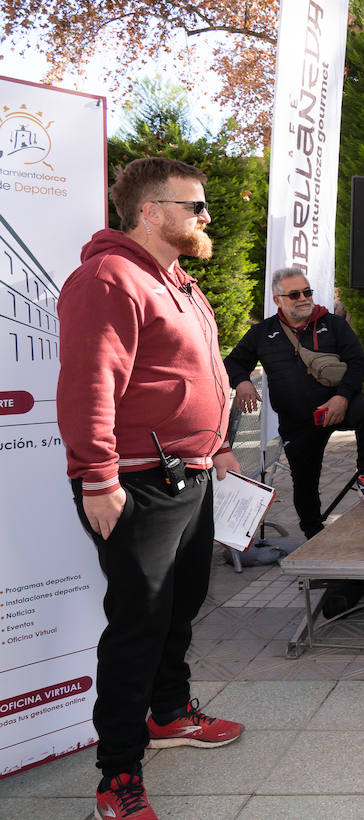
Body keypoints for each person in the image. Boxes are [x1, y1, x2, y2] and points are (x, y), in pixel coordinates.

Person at [56, 156, 244, 820]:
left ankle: (168, 712)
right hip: (136, 482)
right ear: (150, 211)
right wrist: (99, 476)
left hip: (188, 475)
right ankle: (118, 775)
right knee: (139, 622)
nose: (205, 216)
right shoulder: (108, 278)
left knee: (182, 602)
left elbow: (188, 378)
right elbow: (89, 385)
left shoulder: (178, 282)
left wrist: (216, 444)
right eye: (194, 206)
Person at [225, 266, 364, 540]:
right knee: (304, 482)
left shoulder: (333, 324)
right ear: (278, 300)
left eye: (307, 292)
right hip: (298, 422)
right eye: (295, 294)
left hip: (338, 407)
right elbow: (232, 362)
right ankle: (314, 535)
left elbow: (358, 363)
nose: (303, 298)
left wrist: (342, 397)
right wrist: (242, 382)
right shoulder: (263, 333)